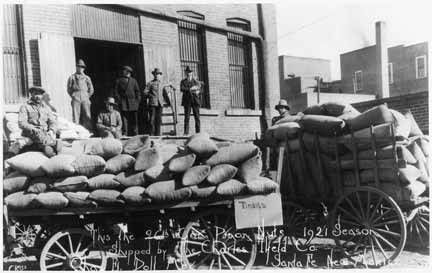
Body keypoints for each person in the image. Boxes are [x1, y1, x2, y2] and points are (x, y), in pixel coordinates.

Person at [18, 86, 61, 157]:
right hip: (31, 132)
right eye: (36, 94)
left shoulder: (46, 107)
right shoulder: (25, 107)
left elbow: (53, 122)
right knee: (38, 133)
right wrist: (33, 128)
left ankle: (48, 147)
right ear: (31, 94)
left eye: (40, 94)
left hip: (44, 133)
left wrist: (51, 130)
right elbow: (21, 123)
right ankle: (53, 144)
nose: (38, 96)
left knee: (46, 143)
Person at [142, 68, 171, 136]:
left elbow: (164, 93)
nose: (157, 75)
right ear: (154, 75)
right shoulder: (150, 83)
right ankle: (152, 135)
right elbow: (145, 92)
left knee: (158, 120)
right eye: (156, 74)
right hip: (152, 104)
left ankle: (158, 135)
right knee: (152, 120)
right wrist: (151, 96)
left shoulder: (161, 84)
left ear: (160, 75)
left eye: (158, 74)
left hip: (160, 104)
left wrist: (168, 102)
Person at [67, 59, 94, 131]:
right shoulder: (72, 77)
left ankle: (88, 131)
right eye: (79, 66)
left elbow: (91, 89)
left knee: (87, 114)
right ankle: (76, 131)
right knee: (76, 115)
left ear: (84, 68)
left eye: (82, 67)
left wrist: (87, 96)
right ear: (76, 67)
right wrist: (73, 95)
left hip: (85, 96)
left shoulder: (87, 78)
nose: (80, 68)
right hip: (76, 95)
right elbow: (69, 89)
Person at [113, 66, 141, 136]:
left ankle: (135, 134)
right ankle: (125, 133)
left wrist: (137, 102)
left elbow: (137, 92)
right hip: (124, 103)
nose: (127, 73)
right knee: (124, 119)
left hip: (133, 103)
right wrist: (119, 100)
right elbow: (115, 92)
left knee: (134, 120)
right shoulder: (119, 80)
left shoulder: (134, 81)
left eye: (128, 72)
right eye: (126, 71)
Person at [180, 66, 202, 135]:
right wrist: (190, 89)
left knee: (197, 117)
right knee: (187, 117)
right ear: (185, 73)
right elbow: (182, 89)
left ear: (192, 73)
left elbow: (200, 89)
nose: (189, 73)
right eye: (187, 72)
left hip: (195, 101)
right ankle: (186, 133)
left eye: (190, 72)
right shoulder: (183, 81)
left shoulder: (196, 81)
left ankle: (198, 133)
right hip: (187, 101)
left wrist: (198, 91)